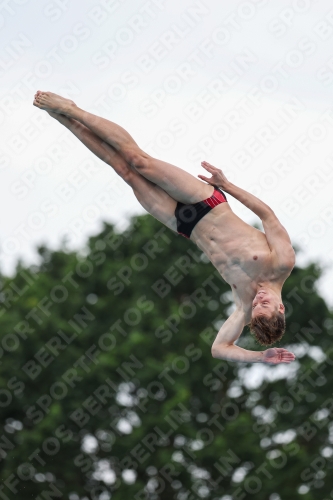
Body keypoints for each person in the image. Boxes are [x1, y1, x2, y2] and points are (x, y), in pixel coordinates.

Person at [33, 91, 296, 365]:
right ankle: (72, 110)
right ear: (281, 307)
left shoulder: (244, 305)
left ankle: (63, 120)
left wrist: (260, 357)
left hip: (183, 225)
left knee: (124, 171)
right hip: (207, 203)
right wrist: (226, 185)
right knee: (138, 161)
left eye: (256, 307)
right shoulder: (282, 263)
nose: (258, 300)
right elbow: (268, 215)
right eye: (264, 304)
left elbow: (219, 348)